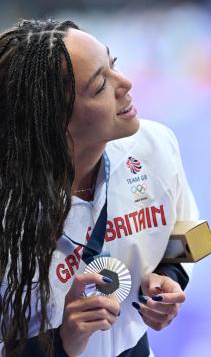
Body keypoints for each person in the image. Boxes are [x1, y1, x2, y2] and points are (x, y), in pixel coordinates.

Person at [0, 19, 199, 356]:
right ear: (54, 120)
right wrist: (61, 343)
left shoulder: (154, 145)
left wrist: (171, 275)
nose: (125, 83)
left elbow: (192, 230)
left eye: (113, 65)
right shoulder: (9, 208)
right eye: (99, 85)